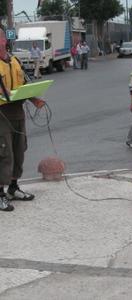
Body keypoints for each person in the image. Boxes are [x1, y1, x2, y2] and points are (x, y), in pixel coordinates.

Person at [0, 28, 45, 212]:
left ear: (4, 40)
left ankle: (13, 188)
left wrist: (35, 99)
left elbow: (25, 85)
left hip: (18, 113)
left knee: (20, 150)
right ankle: (0, 194)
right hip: (1, 115)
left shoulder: (15, 61)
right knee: (5, 154)